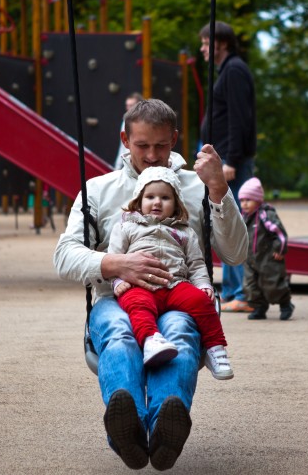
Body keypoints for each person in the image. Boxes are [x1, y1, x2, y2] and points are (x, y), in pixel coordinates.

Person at [54, 99, 247, 471]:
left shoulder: (197, 186)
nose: (153, 155)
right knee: (119, 331)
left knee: (177, 329)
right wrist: (114, 263)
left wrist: (219, 187)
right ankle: (128, 424)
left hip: (179, 298)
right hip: (118, 298)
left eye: (161, 145)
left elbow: (236, 253)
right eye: (143, 146)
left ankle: (163, 429)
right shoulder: (98, 190)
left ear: (175, 139)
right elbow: (63, 256)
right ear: (125, 139)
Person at [109, 166, 233, 380]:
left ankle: (216, 348)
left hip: (176, 284)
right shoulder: (127, 227)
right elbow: (114, 258)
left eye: (165, 197)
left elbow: (196, 263)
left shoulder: (184, 232)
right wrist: (118, 280)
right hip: (141, 285)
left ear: (176, 204)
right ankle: (151, 340)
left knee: (202, 302)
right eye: (150, 197)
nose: (157, 202)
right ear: (139, 201)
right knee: (137, 306)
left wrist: (203, 284)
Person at [199, 21, 256, 314]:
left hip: (230, 161)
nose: (203, 49)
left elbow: (239, 118)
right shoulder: (228, 71)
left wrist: (231, 159)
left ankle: (242, 292)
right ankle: (236, 289)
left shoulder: (234, 70)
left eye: (206, 43)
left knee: (233, 222)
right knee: (225, 221)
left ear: (220, 42)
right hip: (223, 158)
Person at [238, 177, 295, 321]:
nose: (244, 204)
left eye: (248, 200)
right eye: (242, 200)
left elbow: (279, 233)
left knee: (272, 283)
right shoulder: (243, 216)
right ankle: (259, 307)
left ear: (257, 200)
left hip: (268, 257)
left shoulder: (265, 214)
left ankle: (285, 303)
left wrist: (280, 250)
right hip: (250, 258)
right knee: (250, 285)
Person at [114, 92, 144, 169]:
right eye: (127, 105)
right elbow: (122, 145)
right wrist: (117, 167)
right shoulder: (125, 121)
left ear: (138, 105)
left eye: (131, 105)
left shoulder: (147, 121)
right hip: (127, 163)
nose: (128, 108)